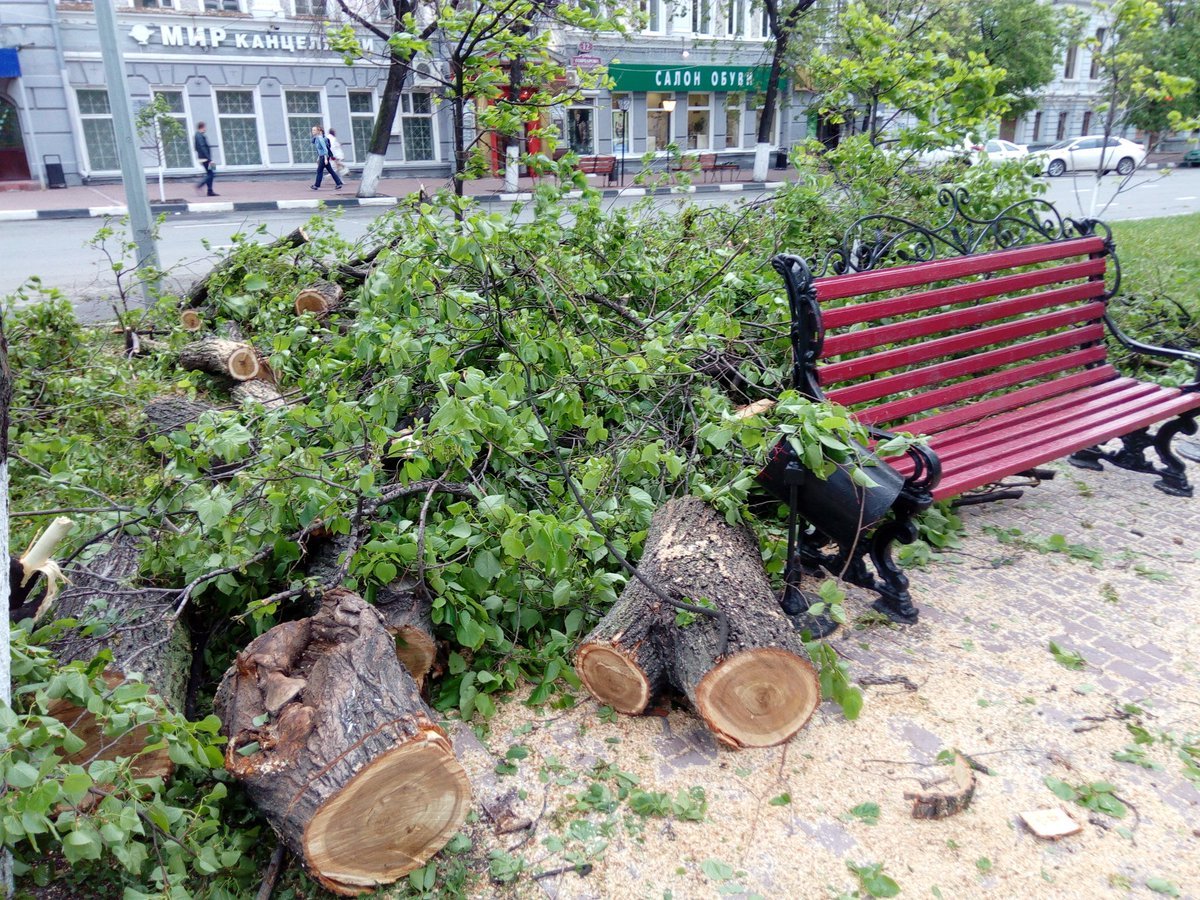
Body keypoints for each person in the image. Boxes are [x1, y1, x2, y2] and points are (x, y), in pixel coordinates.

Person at [310, 126, 343, 191]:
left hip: (324, 157)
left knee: (319, 171)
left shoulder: (320, 138)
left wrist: (325, 158)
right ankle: (338, 183)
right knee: (330, 170)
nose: (313, 131)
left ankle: (316, 185)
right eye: (312, 130)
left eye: (314, 130)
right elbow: (320, 150)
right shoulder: (316, 139)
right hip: (322, 157)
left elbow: (325, 149)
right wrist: (318, 158)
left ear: (318, 131)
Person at [194, 122, 217, 196]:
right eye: (205, 127)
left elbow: (196, 148)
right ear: (202, 127)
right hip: (206, 158)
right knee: (212, 173)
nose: (205, 129)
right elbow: (202, 147)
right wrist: (209, 158)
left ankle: (210, 191)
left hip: (206, 158)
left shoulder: (200, 135)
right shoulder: (199, 136)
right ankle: (200, 185)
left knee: (211, 173)